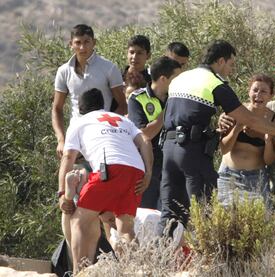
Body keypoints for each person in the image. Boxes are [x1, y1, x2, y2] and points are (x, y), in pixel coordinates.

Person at [157, 40, 275, 237]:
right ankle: (209, 262)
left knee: (170, 211)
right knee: (206, 211)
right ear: (221, 61)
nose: (231, 69)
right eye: (231, 64)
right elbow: (249, 119)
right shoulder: (215, 83)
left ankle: (162, 258)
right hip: (191, 152)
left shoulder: (180, 78)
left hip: (168, 149)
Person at [57, 88, 153, 273]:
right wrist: (148, 173)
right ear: (103, 105)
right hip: (136, 171)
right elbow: (145, 140)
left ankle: (79, 273)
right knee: (125, 229)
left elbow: (68, 157)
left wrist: (62, 193)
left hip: (109, 169)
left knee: (78, 221)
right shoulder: (123, 120)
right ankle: (138, 271)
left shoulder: (79, 122)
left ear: (80, 108)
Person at [52, 24, 125, 258]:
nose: (82, 47)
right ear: (71, 44)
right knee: (69, 200)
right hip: (76, 140)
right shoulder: (64, 71)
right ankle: (77, 260)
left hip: (100, 140)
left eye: (86, 42)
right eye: (77, 42)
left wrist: (111, 133)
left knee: (104, 203)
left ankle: (115, 256)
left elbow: (121, 104)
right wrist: (61, 138)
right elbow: (57, 108)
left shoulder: (108, 68)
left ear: (94, 42)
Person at [128, 56, 182, 209]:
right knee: (147, 214)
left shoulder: (180, 98)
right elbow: (143, 135)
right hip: (148, 168)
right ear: (164, 79)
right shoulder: (138, 99)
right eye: (176, 78)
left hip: (174, 166)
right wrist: (166, 113)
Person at [218, 74, 275, 206]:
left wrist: (267, 140)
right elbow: (224, 149)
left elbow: (270, 160)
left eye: (263, 91)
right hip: (228, 176)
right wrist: (237, 129)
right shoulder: (234, 112)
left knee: (260, 221)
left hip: (256, 178)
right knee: (226, 220)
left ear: (271, 95)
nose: (258, 95)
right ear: (248, 91)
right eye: (255, 90)